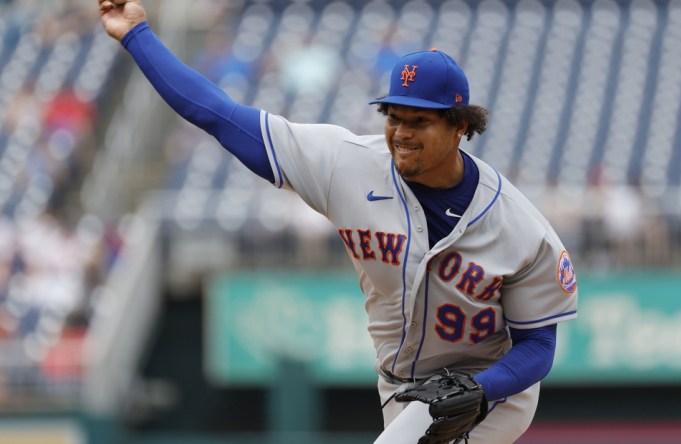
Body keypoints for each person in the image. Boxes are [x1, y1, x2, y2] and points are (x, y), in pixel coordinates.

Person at [98, 1, 578, 443]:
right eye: (394, 116)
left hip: (492, 391)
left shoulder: (519, 226)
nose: (401, 133)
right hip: (399, 386)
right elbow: (219, 115)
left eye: (420, 121)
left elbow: (539, 345)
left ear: (460, 126)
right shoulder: (344, 163)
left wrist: (481, 387)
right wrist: (138, 34)